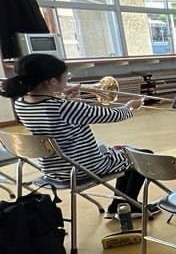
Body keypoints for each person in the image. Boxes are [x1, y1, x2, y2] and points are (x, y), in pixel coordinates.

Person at [0, 53, 155, 218]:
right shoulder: (63, 107)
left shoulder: (21, 104)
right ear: (52, 81)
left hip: (54, 169)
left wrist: (66, 99)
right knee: (142, 156)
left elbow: (56, 116)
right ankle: (128, 207)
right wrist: (130, 107)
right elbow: (113, 115)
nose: (67, 80)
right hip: (83, 167)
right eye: (66, 77)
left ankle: (119, 206)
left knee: (122, 152)